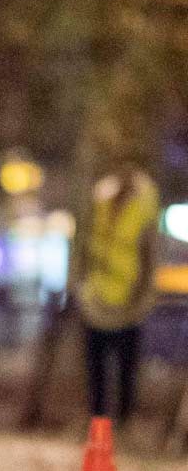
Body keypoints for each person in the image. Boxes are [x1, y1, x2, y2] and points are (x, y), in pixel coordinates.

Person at [76, 160, 161, 427]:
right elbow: (84, 245)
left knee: (126, 369)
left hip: (129, 303)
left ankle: (123, 424)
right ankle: (97, 424)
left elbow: (149, 253)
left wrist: (143, 297)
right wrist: (81, 286)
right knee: (96, 369)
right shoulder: (99, 197)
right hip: (97, 299)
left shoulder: (144, 202)